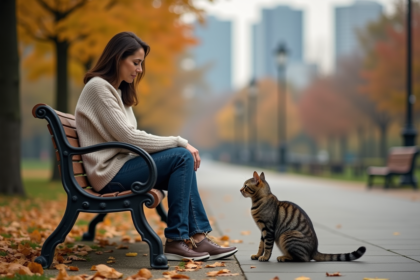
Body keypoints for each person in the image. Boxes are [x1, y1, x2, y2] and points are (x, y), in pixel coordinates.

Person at [75, 31, 237, 261]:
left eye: (141, 64)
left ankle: (197, 239)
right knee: (182, 156)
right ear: (118, 58)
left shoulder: (116, 92)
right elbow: (128, 137)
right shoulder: (99, 88)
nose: (139, 69)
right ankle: (176, 240)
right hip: (108, 174)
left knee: (182, 160)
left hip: (120, 167)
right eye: (136, 62)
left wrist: (176, 147)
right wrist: (179, 141)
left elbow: (128, 137)